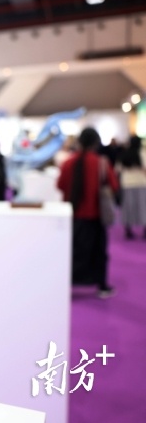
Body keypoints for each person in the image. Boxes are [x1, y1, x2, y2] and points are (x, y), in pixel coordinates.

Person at [57, 127, 119, 298]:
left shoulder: (68, 162)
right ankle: (102, 286)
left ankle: (67, 284)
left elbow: (60, 185)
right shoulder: (101, 163)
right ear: (95, 143)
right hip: (96, 216)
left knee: (73, 251)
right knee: (98, 252)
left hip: (73, 215)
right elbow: (113, 185)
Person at [115, 135, 146, 240]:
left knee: (127, 207)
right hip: (141, 183)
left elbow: (117, 169)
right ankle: (144, 229)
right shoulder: (142, 153)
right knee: (143, 207)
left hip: (127, 183)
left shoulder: (124, 154)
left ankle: (128, 229)